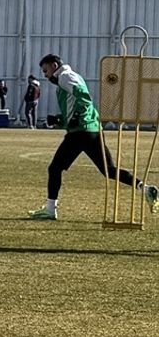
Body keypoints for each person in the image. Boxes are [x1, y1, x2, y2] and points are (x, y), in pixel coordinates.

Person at [27, 53, 157, 220]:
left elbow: (84, 98)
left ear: (54, 65)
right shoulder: (68, 78)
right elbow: (77, 105)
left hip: (80, 132)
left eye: (46, 71)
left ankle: (50, 209)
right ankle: (146, 189)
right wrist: (59, 119)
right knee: (109, 170)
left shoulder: (65, 76)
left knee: (55, 168)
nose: (45, 75)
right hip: (92, 130)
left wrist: (75, 117)